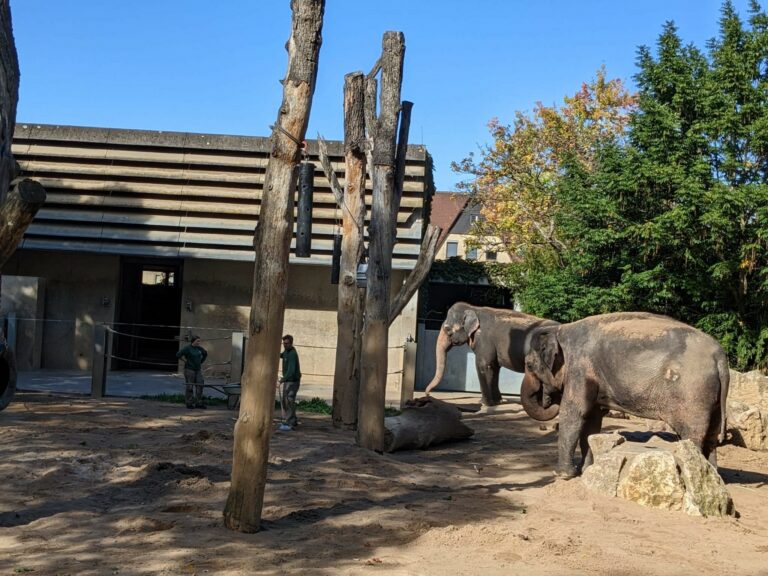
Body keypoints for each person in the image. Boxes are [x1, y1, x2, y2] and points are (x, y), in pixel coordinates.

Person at [176, 334, 208, 409]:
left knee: (200, 384)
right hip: (189, 369)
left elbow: (205, 354)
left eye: (199, 341)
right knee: (190, 386)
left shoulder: (199, 348)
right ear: (193, 341)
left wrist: (201, 361)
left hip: (198, 370)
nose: (199, 342)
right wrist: (185, 361)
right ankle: (189, 402)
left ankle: (198, 402)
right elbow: (178, 354)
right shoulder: (187, 348)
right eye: (197, 341)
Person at [277, 334, 301, 431]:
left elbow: (291, 371)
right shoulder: (286, 352)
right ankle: (293, 420)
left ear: (291, 343)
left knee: (289, 400)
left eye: (287, 343)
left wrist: (281, 380)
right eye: (284, 343)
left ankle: (290, 422)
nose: (285, 345)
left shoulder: (292, 354)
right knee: (285, 400)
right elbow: (281, 355)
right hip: (288, 381)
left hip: (292, 381)